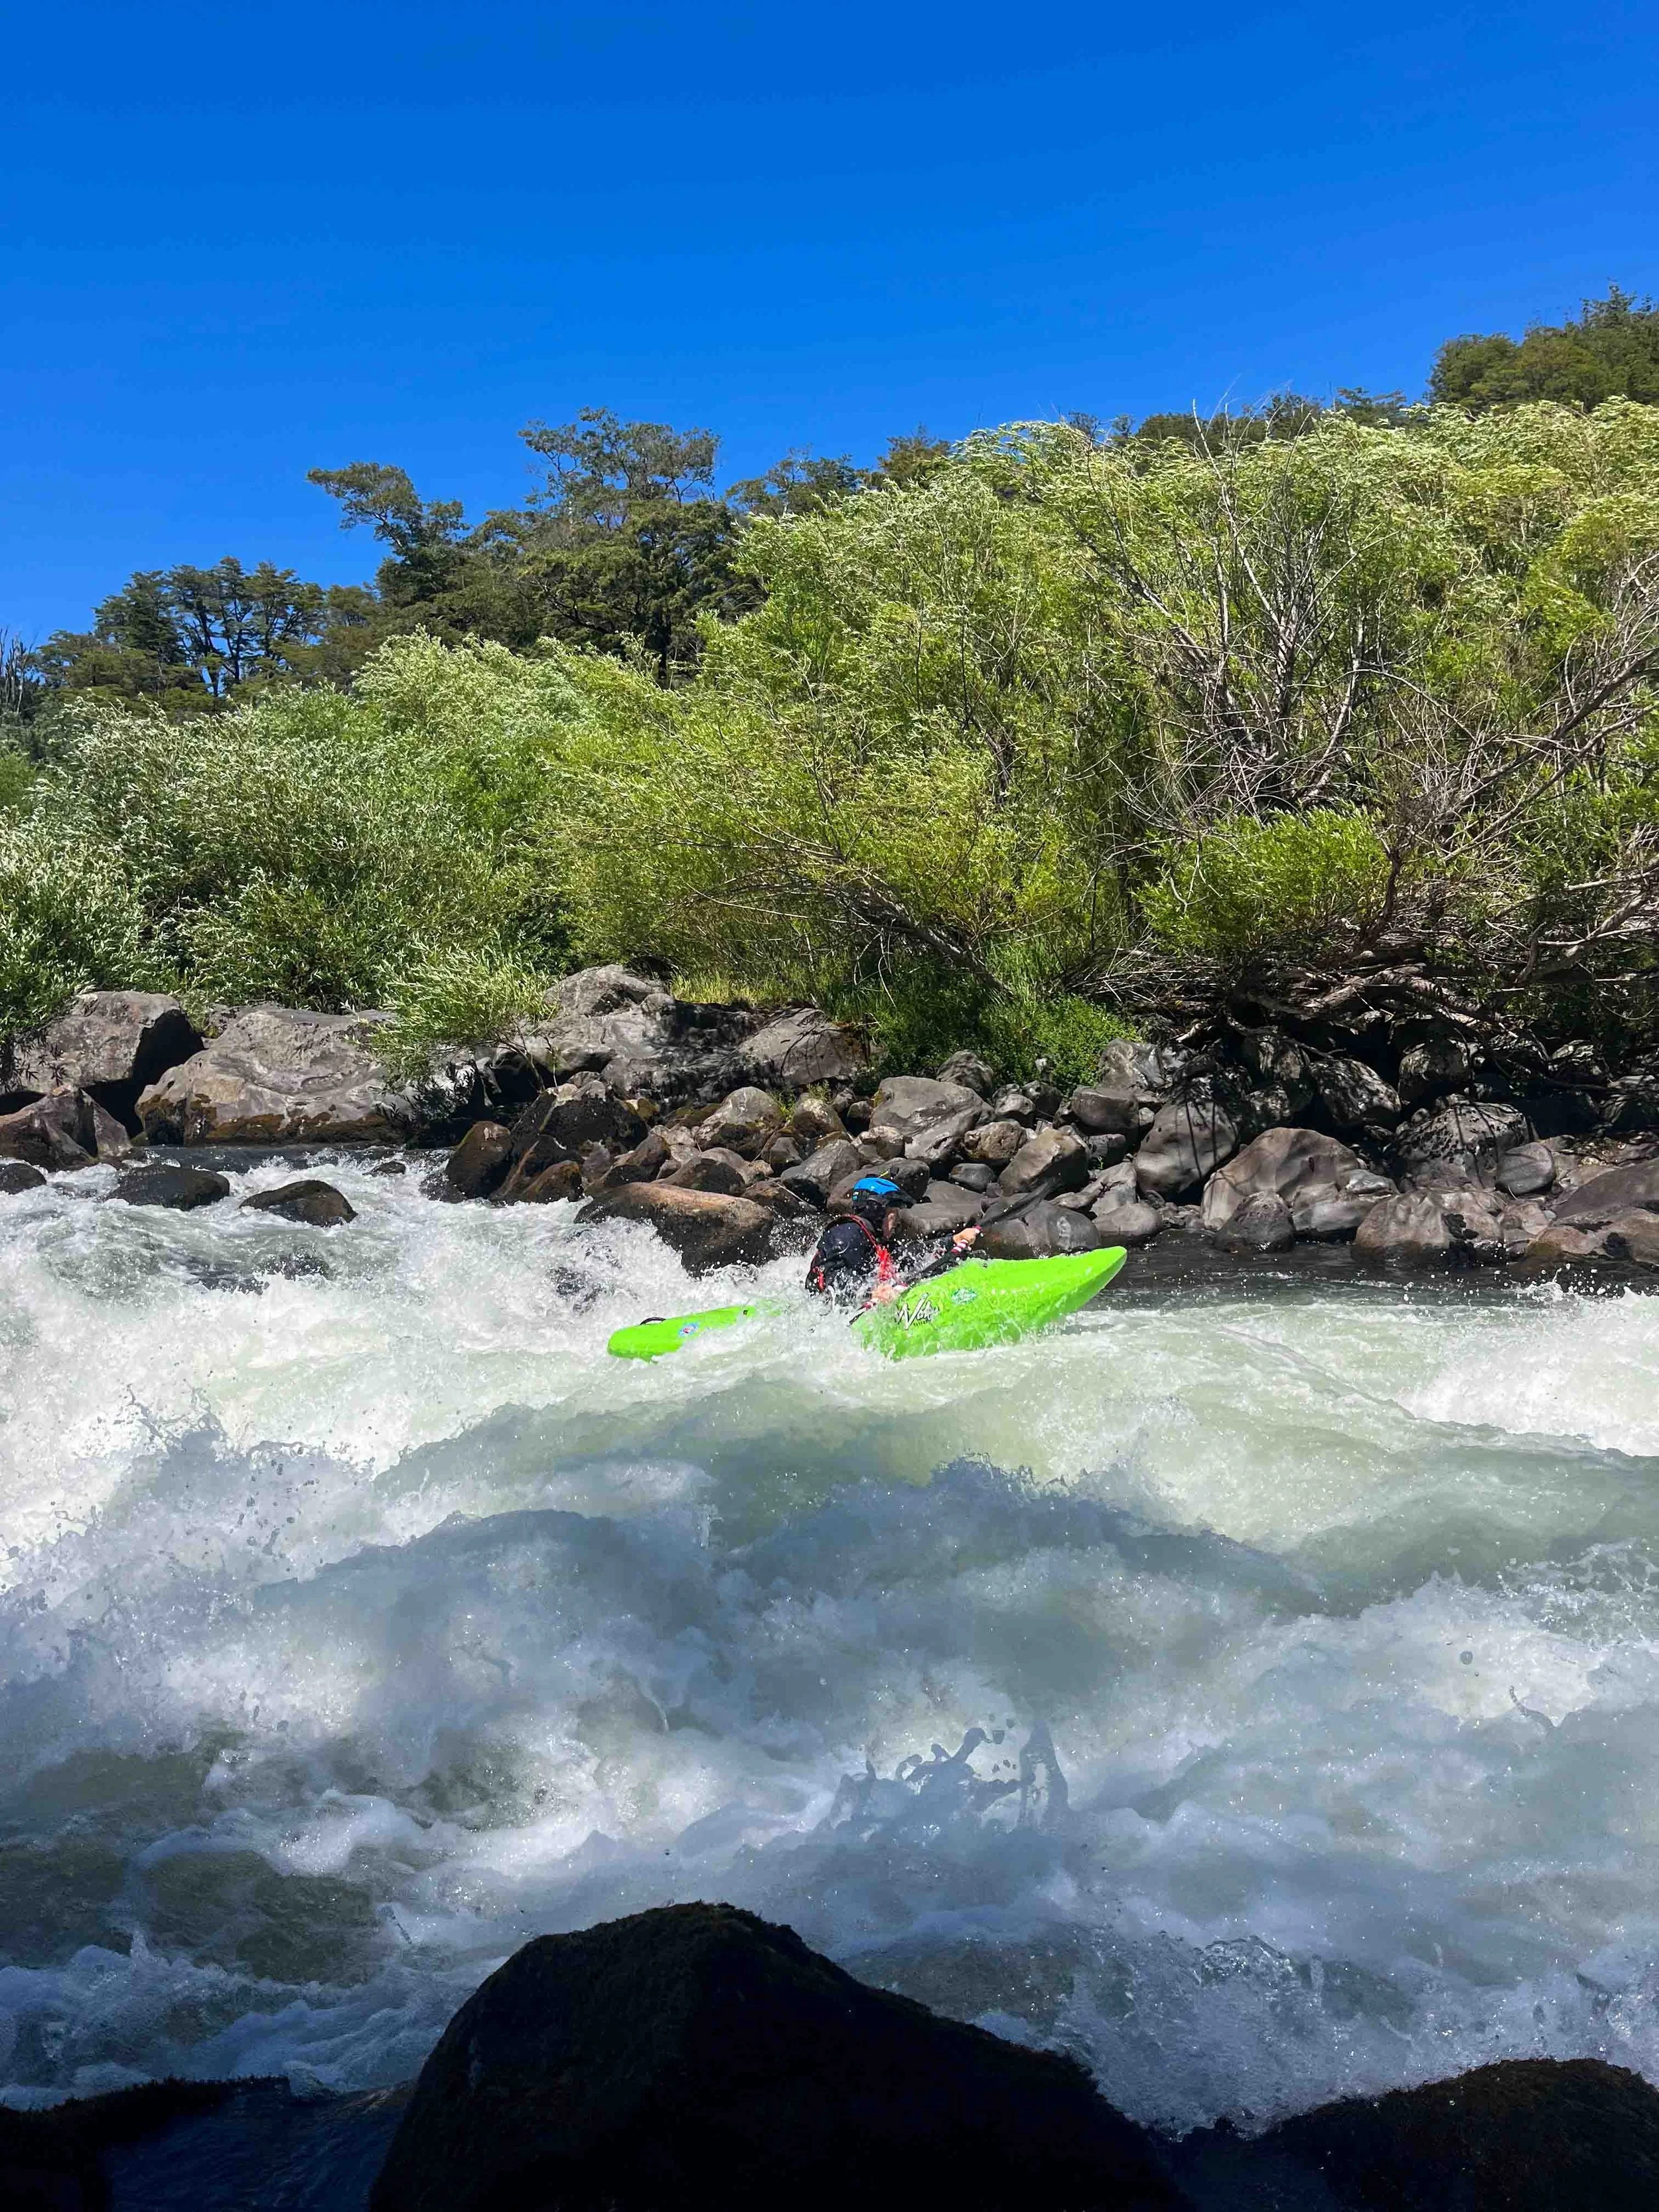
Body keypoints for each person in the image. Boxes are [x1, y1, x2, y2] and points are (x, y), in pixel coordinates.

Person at [804, 1175, 980, 1305]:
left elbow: (910, 1255)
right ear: (876, 1210)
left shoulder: (876, 1240)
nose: (896, 1219)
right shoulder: (847, 1233)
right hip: (823, 1312)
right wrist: (870, 1292)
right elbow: (834, 1276)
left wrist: (954, 1240)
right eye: (892, 1213)